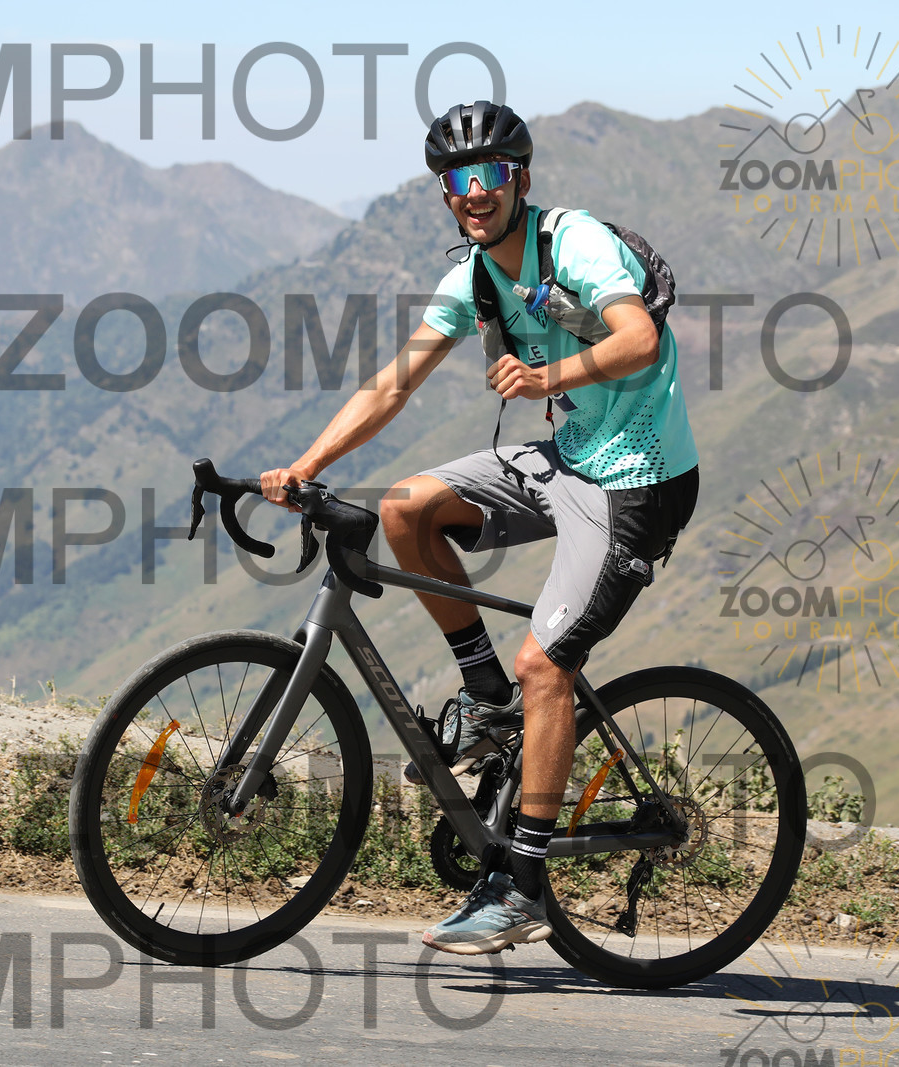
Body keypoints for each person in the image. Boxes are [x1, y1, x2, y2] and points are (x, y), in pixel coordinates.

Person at [261, 101, 699, 955]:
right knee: (405, 508)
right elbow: (394, 383)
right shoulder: (473, 279)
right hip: (570, 457)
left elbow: (640, 340)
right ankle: (488, 699)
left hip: (636, 485)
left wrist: (547, 378)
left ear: (519, 180)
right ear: (445, 193)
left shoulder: (574, 245)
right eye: (457, 179)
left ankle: (523, 884)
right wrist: (305, 465)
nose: (474, 191)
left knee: (548, 664)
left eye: (490, 174)